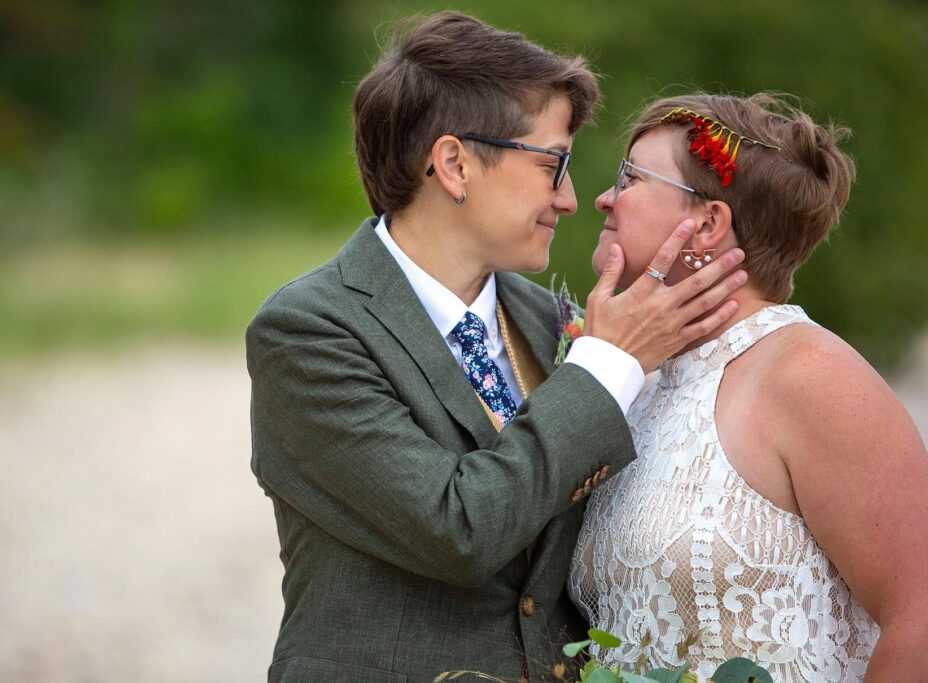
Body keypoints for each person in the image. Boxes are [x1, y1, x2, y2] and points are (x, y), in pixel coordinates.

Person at [247, 13, 748, 681]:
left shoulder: (555, 324)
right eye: (555, 164)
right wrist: (608, 365)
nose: (570, 199)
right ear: (455, 164)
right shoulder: (309, 332)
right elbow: (457, 529)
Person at [569, 92, 928, 682]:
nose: (605, 197)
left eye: (630, 178)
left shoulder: (809, 374)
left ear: (707, 223)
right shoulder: (642, 383)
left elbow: (917, 616)